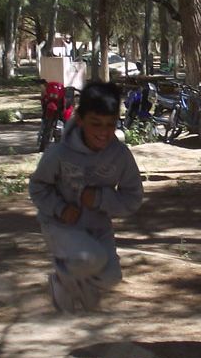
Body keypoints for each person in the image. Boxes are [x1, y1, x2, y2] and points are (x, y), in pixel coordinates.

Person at [28, 82, 143, 313]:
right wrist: (60, 208)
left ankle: (78, 285)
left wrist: (101, 199)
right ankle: (62, 280)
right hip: (59, 225)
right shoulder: (59, 153)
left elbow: (133, 197)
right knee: (91, 258)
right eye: (95, 123)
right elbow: (38, 187)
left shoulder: (120, 155)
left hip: (98, 227)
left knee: (111, 277)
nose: (103, 132)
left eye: (110, 124)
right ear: (80, 120)